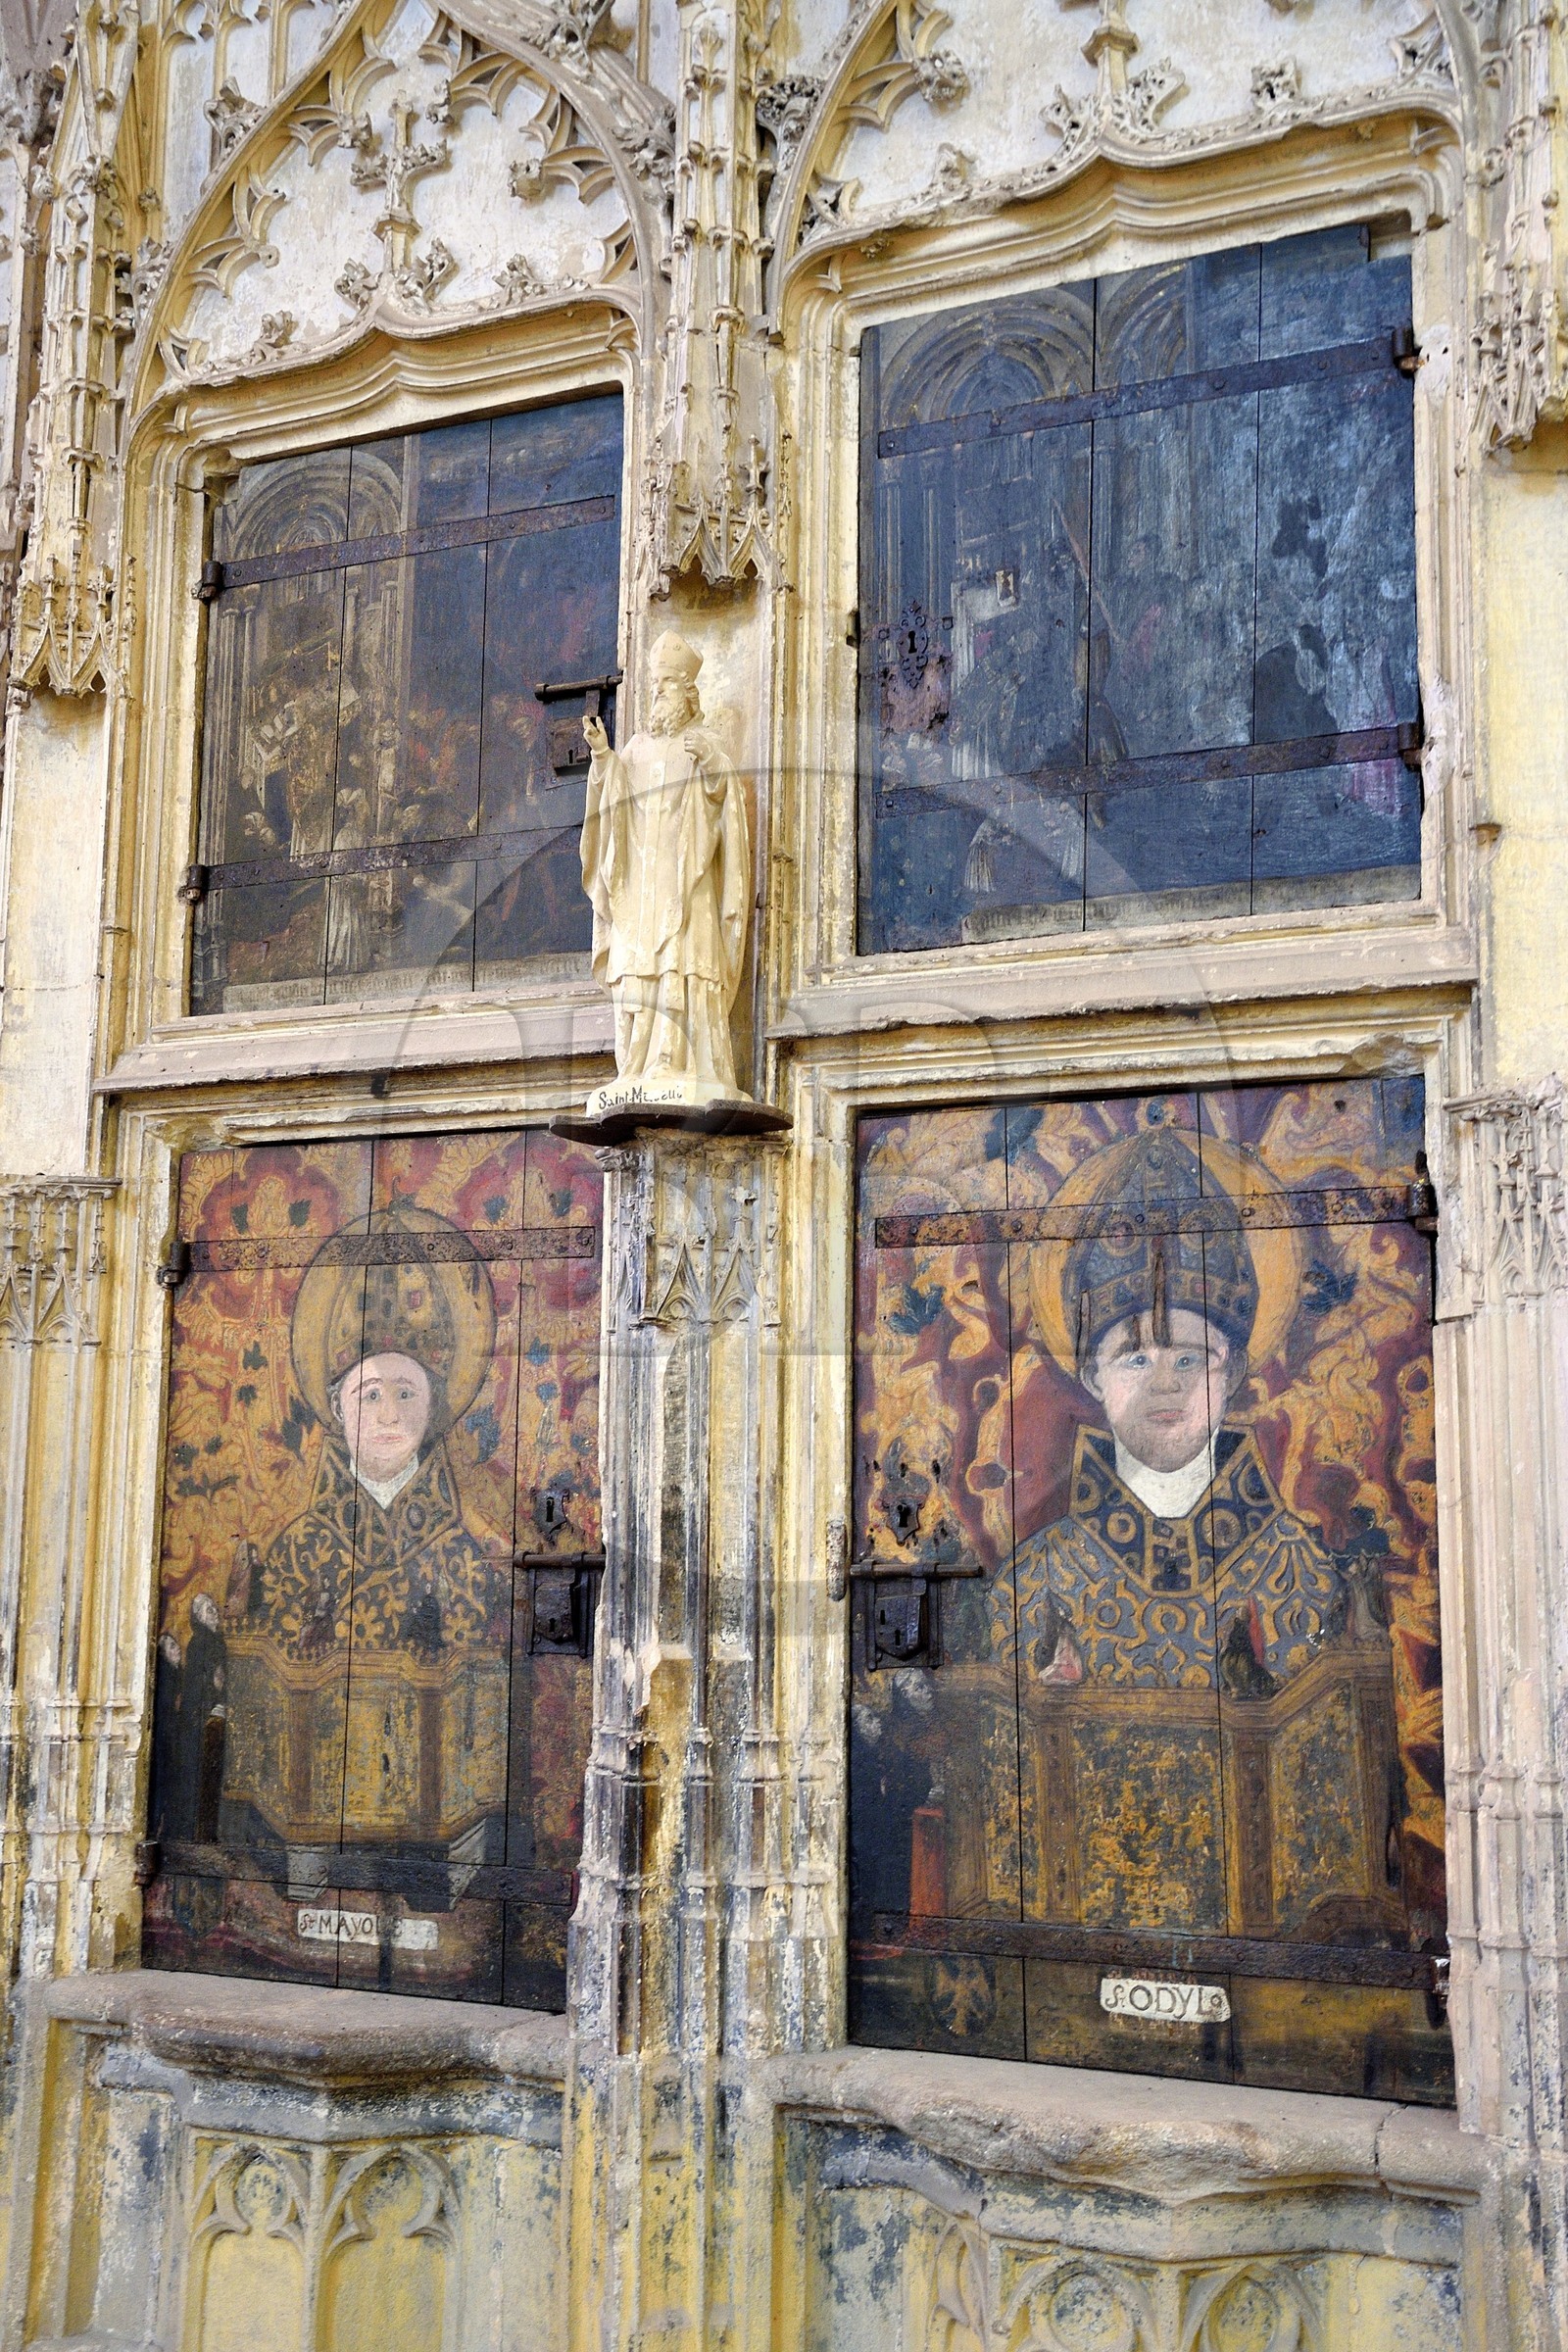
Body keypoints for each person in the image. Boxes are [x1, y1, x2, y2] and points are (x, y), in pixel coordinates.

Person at [579, 630, 751, 1100]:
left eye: (669, 684)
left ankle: (677, 1062)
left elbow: (725, 807)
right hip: (639, 887)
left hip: (685, 885)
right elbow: (613, 800)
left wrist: (714, 766)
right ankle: (635, 1065)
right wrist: (601, 756)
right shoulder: (634, 749)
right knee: (636, 969)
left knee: (682, 968)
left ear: (689, 692)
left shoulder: (704, 744)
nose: (658, 692)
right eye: (655, 684)